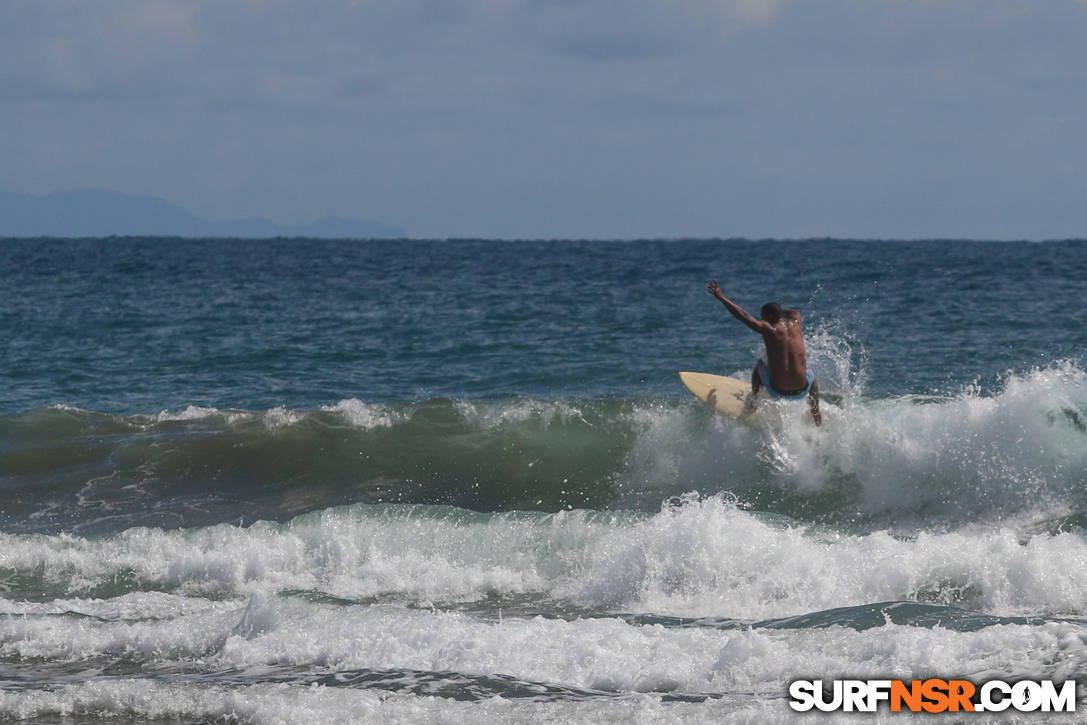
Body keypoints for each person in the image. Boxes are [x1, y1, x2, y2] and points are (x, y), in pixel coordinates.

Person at [706, 280, 822, 425]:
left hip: (778, 390)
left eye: (763, 317)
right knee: (813, 380)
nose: (762, 320)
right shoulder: (796, 321)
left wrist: (722, 298)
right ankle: (816, 415)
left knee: (760, 365)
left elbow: (743, 316)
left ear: (769, 317)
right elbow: (791, 312)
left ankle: (753, 403)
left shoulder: (770, 329)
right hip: (802, 390)